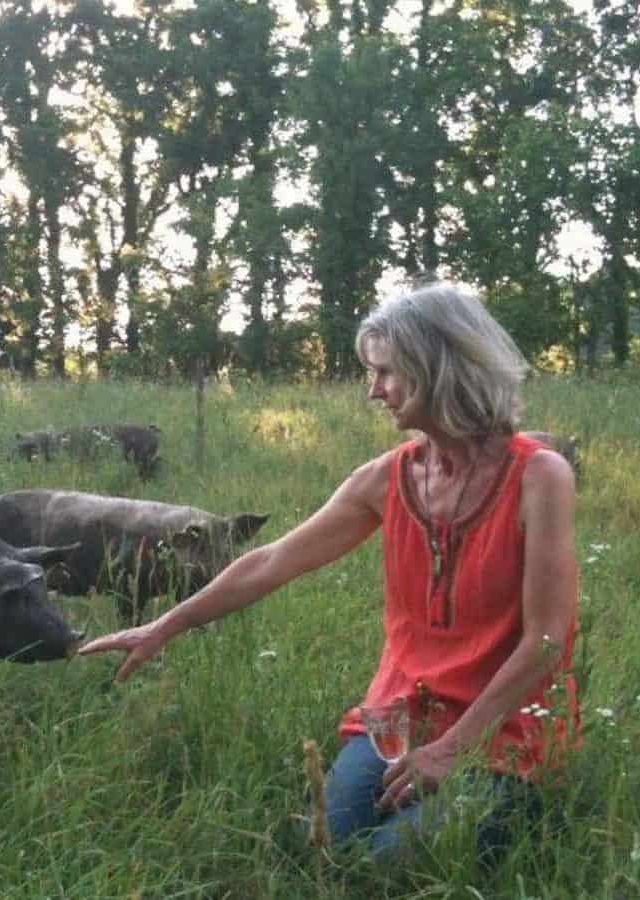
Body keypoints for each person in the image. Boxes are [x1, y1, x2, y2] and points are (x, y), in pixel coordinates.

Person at [78, 281, 579, 861]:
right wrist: (164, 625)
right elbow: (270, 561)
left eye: (387, 373)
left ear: (438, 369)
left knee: (386, 867)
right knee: (325, 850)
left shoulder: (539, 476)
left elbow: (547, 638)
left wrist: (453, 749)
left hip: (502, 730)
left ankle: (522, 812)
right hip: (400, 717)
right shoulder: (387, 479)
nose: (374, 391)